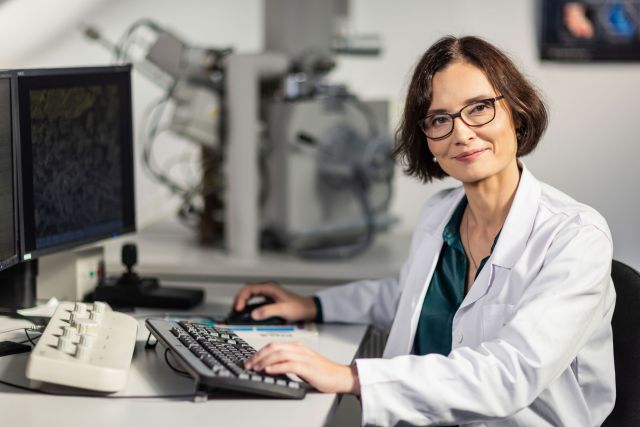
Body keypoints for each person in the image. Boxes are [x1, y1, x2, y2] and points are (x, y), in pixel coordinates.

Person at [233, 35, 616, 426]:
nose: (462, 133)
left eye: (479, 108)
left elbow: (510, 374)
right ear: (428, 139)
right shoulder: (441, 214)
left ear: (516, 115)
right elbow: (403, 299)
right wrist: (313, 305)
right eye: (439, 119)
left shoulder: (575, 236)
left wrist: (350, 377)